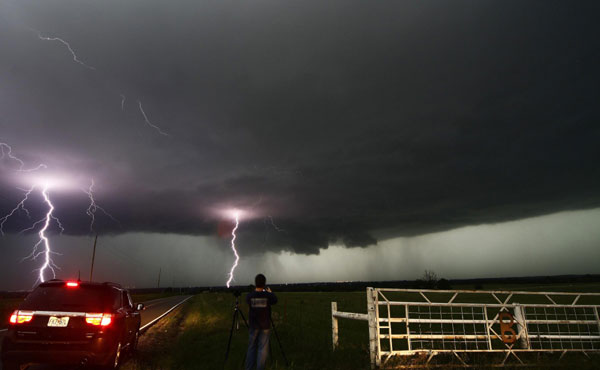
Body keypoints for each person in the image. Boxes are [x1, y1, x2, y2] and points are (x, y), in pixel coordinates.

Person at [245, 273, 277, 370]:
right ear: (264, 283)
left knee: (251, 348)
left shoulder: (250, 296)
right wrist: (270, 293)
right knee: (262, 349)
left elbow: (247, 300)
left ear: (255, 283)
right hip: (265, 326)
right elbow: (275, 300)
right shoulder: (267, 295)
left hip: (253, 326)